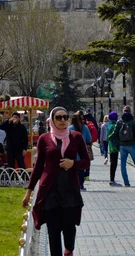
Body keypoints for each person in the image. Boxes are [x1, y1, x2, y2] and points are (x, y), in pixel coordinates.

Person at [22, 106, 89, 256]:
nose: (62, 120)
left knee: (69, 228)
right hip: (50, 191)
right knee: (53, 231)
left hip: (70, 190)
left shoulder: (76, 137)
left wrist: (73, 163)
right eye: (58, 117)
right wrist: (29, 192)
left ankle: (69, 250)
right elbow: (38, 167)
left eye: (65, 117)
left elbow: (86, 161)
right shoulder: (44, 139)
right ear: (52, 120)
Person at [116, 110, 135, 187]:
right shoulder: (134, 122)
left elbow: (116, 133)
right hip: (132, 145)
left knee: (123, 164)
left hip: (122, 145)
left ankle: (126, 182)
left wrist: (119, 142)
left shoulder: (119, 122)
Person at [69, 111, 92, 190]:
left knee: (73, 169)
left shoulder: (69, 128)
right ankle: (81, 185)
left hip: (71, 153)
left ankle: (74, 185)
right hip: (82, 152)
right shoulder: (85, 128)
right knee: (81, 169)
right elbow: (89, 139)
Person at [106, 111, 121, 186]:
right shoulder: (115, 125)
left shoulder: (109, 125)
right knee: (114, 164)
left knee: (113, 163)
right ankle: (112, 180)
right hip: (115, 147)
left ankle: (112, 179)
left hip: (111, 146)